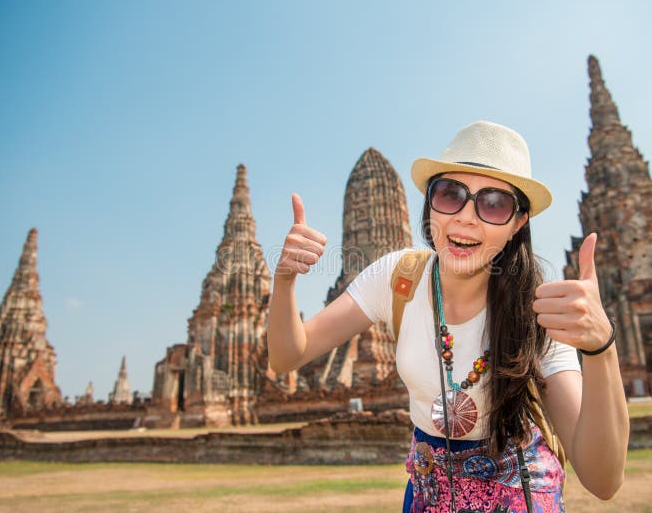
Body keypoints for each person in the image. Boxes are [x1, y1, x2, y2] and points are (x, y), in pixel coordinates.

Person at [267, 121, 629, 512]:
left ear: (517, 223)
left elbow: (602, 480)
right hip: (429, 494)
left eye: (494, 203)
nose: (466, 218)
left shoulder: (536, 311)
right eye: (450, 194)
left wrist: (600, 348)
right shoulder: (397, 279)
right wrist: (285, 278)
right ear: (429, 204)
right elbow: (288, 356)